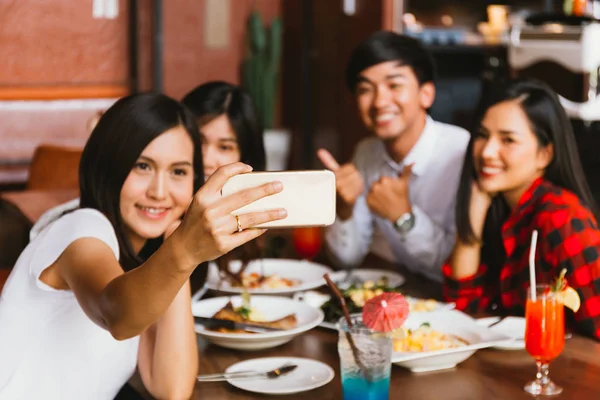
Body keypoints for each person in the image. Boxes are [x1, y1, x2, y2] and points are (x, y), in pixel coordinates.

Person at [0, 93, 287, 399]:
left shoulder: (142, 262)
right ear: (109, 166)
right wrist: (184, 250)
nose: (159, 192)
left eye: (178, 172)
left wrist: (177, 238)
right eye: (142, 166)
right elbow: (119, 316)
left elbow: (170, 387)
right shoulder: (80, 228)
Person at [444, 78, 600, 340]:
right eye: (482, 136)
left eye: (508, 140)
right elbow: (464, 309)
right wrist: (473, 218)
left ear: (544, 155)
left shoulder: (561, 216)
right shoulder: (498, 207)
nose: (487, 152)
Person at [318, 31, 470, 281]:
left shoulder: (461, 153)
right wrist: (344, 209)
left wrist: (403, 217)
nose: (379, 102)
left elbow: (456, 267)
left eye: (394, 85)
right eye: (365, 89)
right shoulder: (367, 152)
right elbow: (347, 259)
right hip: (399, 292)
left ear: (426, 94)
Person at [182, 81, 266, 291]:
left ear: (245, 157)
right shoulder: (159, 215)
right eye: (197, 140)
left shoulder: (254, 217)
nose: (207, 159)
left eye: (225, 147)